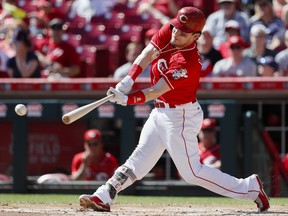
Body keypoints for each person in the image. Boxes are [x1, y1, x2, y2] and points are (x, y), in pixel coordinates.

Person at [78, 7, 270, 213]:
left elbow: (156, 90)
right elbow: (149, 52)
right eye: (177, 28)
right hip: (160, 112)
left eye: (184, 33)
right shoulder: (172, 28)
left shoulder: (188, 63)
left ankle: (250, 188)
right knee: (139, 159)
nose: (177, 34)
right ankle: (104, 195)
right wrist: (128, 79)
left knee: (192, 173)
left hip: (181, 115)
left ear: (196, 37)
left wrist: (127, 99)